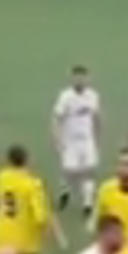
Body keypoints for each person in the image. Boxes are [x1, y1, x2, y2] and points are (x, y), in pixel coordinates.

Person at [0, 144, 57, 254]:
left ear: (8, 161)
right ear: (27, 160)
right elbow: (40, 217)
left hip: (2, 238)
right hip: (25, 244)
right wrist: (50, 233)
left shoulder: (0, 178)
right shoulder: (32, 185)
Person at [52, 64, 102, 216]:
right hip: (70, 141)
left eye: (83, 77)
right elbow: (56, 118)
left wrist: (98, 136)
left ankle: (87, 204)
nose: (80, 81)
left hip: (87, 140)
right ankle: (65, 192)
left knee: (89, 170)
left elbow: (96, 117)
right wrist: (57, 139)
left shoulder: (93, 96)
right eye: (77, 77)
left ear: (87, 79)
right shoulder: (65, 97)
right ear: (73, 79)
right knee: (70, 171)